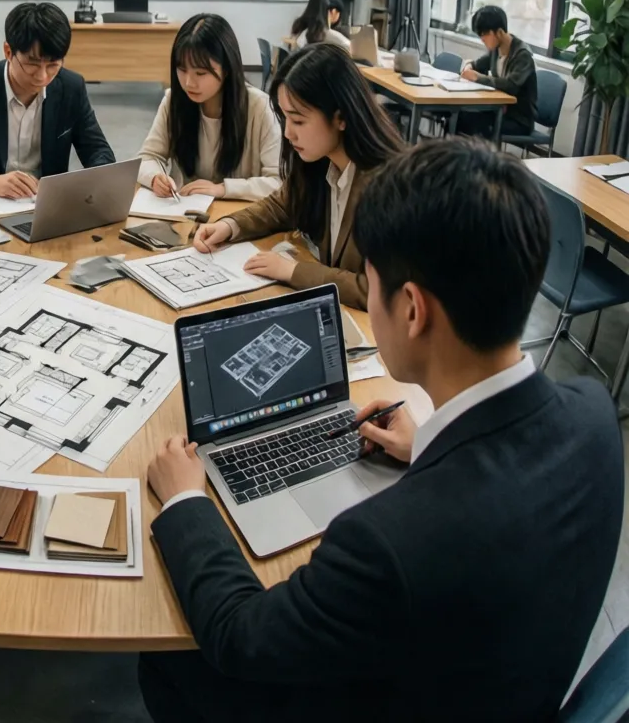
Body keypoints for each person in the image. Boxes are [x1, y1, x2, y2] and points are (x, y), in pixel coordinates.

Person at [140, 138, 623, 722]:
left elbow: (241, 636)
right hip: (499, 684)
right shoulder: (593, 415)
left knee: (167, 658)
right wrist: (429, 447)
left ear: (412, 309)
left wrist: (187, 500)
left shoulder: (386, 542)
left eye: (369, 283)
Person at [192, 44, 404, 309]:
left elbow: (375, 290)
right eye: (285, 119)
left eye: (299, 121)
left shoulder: (390, 186)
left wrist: (292, 271)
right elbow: (282, 204)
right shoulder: (322, 163)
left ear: (341, 118)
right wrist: (229, 226)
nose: (288, 134)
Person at [0, 1, 115, 196]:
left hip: (45, 206)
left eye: (53, 65)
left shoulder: (71, 88)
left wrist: (92, 182)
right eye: (32, 64)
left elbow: (98, 151)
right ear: (8, 52)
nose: (42, 77)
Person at [137, 14, 281, 202]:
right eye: (182, 70)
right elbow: (147, 157)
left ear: (227, 69)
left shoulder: (259, 108)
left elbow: (279, 182)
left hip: (239, 217)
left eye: (200, 73)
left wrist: (223, 189)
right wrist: (155, 177)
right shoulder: (174, 101)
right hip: (186, 214)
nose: (189, 82)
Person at [457, 4, 538, 138]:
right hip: (497, 111)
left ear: (499, 32)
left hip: (518, 120)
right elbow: (476, 65)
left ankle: (479, 158)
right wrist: (468, 66)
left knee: (473, 122)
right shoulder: (496, 50)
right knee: (458, 116)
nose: (482, 39)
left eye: (484, 35)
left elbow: (511, 86)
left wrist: (477, 77)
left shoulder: (522, 55)